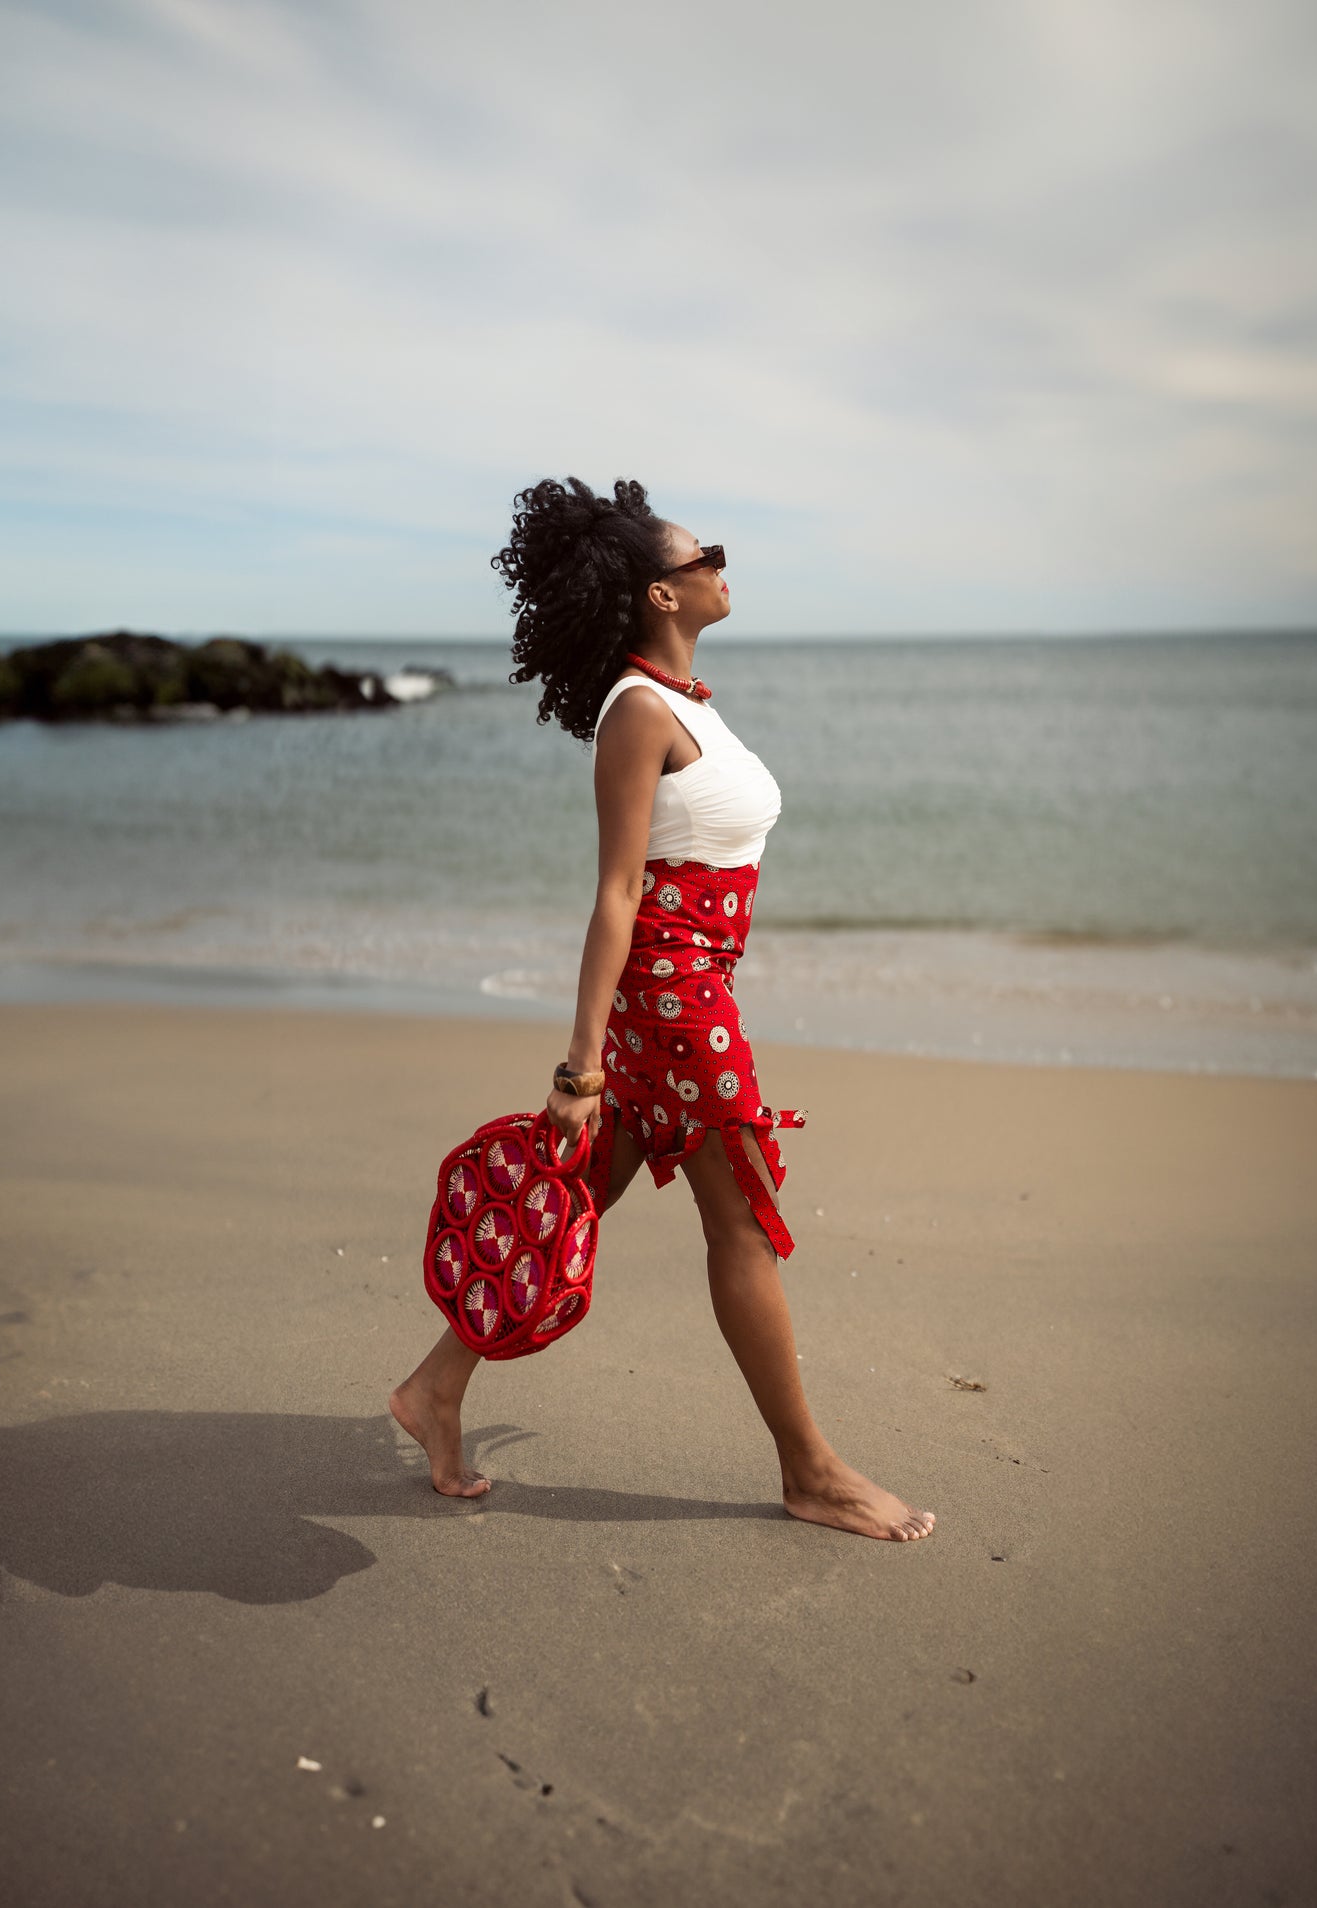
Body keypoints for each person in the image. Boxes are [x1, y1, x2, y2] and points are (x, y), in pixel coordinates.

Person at [390, 477, 936, 1542]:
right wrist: (579, 1069)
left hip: (694, 989)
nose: (722, 566)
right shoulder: (636, 714)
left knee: (583, 1193)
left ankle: (434, 1389)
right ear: (659, 593)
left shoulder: (681, 702)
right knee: (740, 1225)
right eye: (705, 555)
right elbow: (617, 892)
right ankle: (810, 1471)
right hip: (672, 999)